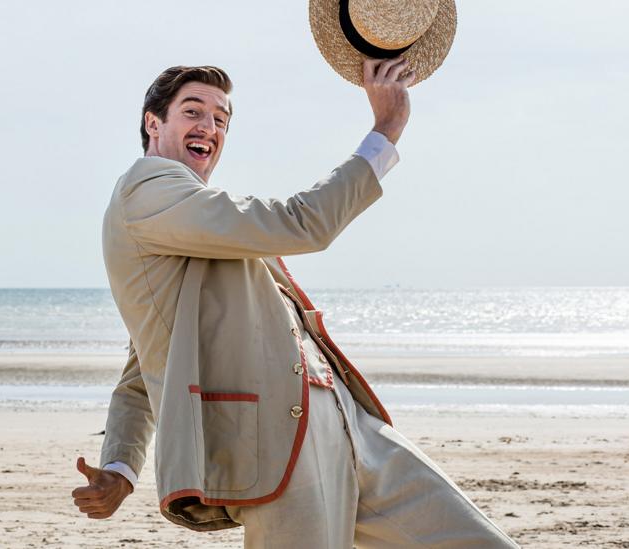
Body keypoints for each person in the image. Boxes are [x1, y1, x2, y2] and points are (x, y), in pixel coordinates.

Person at [71, 61, 519, 548]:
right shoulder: (146, 189)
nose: (209, 127)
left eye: (221, 119)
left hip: (351, 427)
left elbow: (149, 362)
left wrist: (119, 465)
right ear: (152, 123)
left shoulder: (204, 216)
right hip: (279, 447)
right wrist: (386, 129)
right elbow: (302, 223)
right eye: (192, 111)